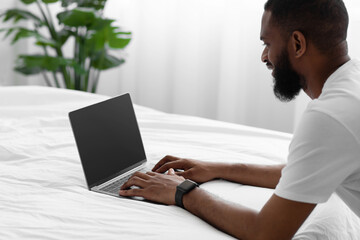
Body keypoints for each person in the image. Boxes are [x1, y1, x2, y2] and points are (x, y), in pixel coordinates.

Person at [120, 0, 360, 239]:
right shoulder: (352, 82)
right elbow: (309, 168)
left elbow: (266, 232)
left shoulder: (329, 116)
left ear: (297, 43)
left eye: (268, 43)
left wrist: (181, 191)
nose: (264, 56)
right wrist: (217, 169)